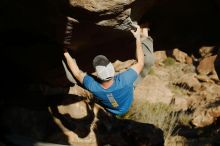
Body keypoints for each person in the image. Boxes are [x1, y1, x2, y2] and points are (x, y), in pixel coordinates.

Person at [63, 24, 147, 116]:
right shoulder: (125, 80)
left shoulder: (93, 87)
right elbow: (141, 63)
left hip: (112, 109)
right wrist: (137, 37)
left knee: (71, 78)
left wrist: (65, 52)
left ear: (97, 75)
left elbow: (77, 73)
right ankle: (145, 30)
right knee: (148, 57)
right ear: (113, 71)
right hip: (123, 106)